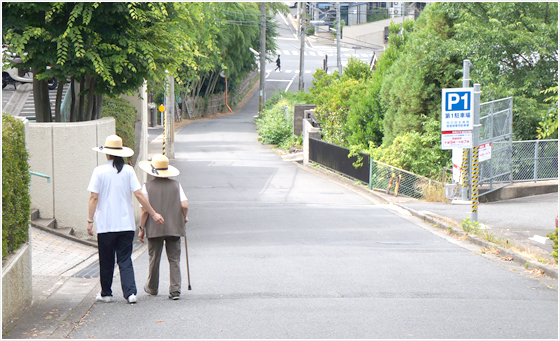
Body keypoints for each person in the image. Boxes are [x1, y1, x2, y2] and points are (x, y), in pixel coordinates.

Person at [87, 135, 165, 304]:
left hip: (106, 224)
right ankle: (130, 293)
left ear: (107, 154)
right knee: (125, 258)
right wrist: (153, 213)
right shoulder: (129, 171)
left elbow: (93, 198)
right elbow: (139, 194)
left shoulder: (99, 171)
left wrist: (90, 220)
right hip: (126, 224)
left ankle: (106, 293)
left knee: (106, 260)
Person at [138, 154, 189, 300]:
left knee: (154, 258)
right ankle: (175, 290)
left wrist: (142, 229)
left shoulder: (147, 186)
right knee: (174, 259)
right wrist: (183, 217)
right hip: (174, 227)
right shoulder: (176, 185)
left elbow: (144, 211)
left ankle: (152, 288)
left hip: (154, 228)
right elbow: (184, 205)